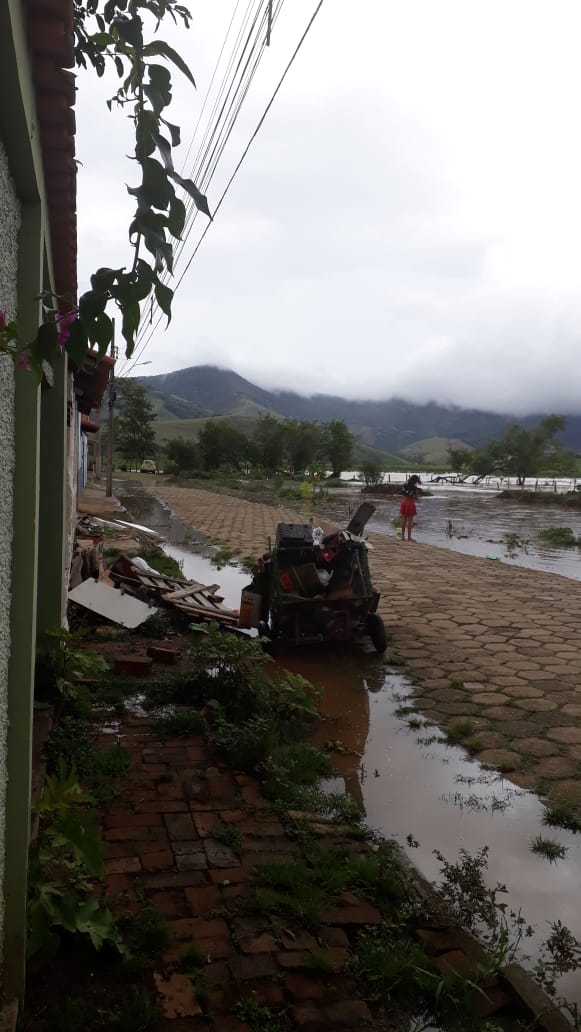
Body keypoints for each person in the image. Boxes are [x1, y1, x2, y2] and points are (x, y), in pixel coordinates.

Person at [399, 474, 421, 541]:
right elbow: (416, 498)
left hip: (404, 502)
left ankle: (402, 537)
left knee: (404, 520)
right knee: (410, 521)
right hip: (410, 503)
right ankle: (409, 537)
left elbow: (403, 493)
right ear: (415, 481)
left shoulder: (405, 485)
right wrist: (417, 495)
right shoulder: (415, 488)